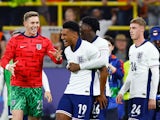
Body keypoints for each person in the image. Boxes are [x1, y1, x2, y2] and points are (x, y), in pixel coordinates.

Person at [0, 11, 63, 120]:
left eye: (37, 23)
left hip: (35, 89)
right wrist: (8, 66)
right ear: (25, 23)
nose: (35, 26)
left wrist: (58, 58)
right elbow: (4, 59)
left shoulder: (45, 42)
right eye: (32, 23)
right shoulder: (15, 40)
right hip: (18, 87)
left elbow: (56, 59)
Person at [55, 21, 105, 120]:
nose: (62, 38)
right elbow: (72, 66)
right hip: (69, 91)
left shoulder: (89, 48)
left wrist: (101, 93)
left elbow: (103, 68)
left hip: (84, 94)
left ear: (74, 34)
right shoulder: (67, 51)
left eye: (64, 35)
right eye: (61, 35)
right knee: (59, 117)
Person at [116, 17, 160, 120]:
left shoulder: (150, 48)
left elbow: (155, 74)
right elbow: (132, 72)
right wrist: (122, 91)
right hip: (133, 94)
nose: (131, 30)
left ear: (142, 29)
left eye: (134, 28)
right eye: (130, 28)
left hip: (144, 95)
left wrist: (152, 98)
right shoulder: (131, 49)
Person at [67, 16, 109, 119]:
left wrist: (101, 93)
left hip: (99, 91)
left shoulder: (102, 43)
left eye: (82, 25)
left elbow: (103, 66)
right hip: (84, 91)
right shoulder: (80, 44)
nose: (80, 28)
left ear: (89, 27)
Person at [103, 35, 124, 120]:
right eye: (104, 45)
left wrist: (112, 68)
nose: (106, 48)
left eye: (108, 45)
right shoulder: (95, 61)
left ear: (112, 47)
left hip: (113, 97)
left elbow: (120, 75)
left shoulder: (117, 62)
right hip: (99, 96)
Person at [149, 26, 160, 120]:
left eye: (159, 40)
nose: (157, 42)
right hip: (150, 94)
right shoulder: (148, 52)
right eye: (155, 40)